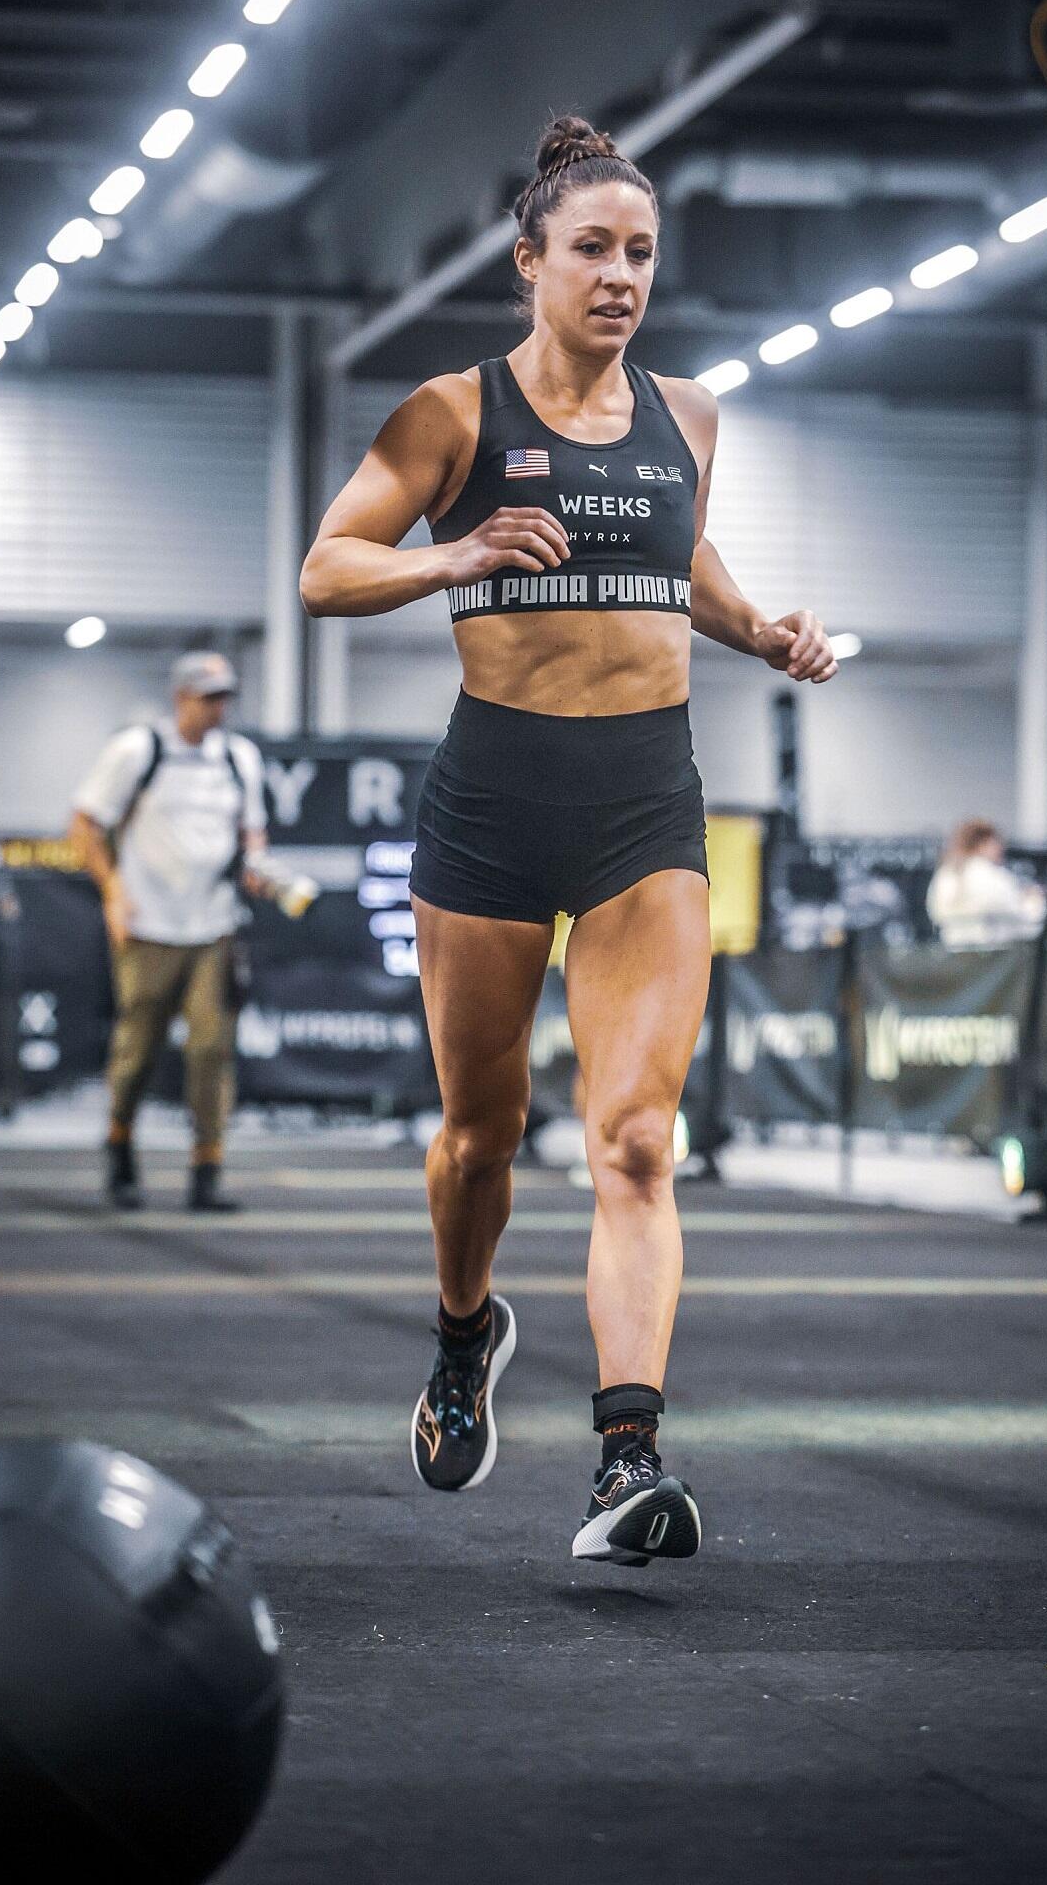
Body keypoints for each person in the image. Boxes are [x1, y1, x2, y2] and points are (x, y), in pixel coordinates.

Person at [300, 117, 837, 1568]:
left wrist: (758, 627)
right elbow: (323, 569)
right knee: (482, 1137)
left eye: (639, 253)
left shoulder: (691, 415)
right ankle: (464, 1335)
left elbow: (682, 556)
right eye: (590, 250)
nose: (618, 277)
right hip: (490, 805)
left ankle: (625, 1457)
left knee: (636, 1142)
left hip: (643, 804)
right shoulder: (450, 415)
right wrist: (452, 556)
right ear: (527, 259)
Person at [69, 651, 267, 1214]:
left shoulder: (238, 757)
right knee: (138, 1046)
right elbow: (85, 823)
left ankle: (206, 1168)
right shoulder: (139, 750)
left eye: (225, 698)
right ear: (181, 698)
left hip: (214, 925)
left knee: (211, 1047)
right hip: (149, 926)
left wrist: (256, 865)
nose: (219, 709)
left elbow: (252, 831)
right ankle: (120, 1147)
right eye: (209, 699)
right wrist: (113, 892)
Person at [926, 819, 1047, 949]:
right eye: (996, 843)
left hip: (954, 955)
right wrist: (1035, 900)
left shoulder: (946, 874)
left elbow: (936, 914)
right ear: (983, 844)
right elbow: (1025, 924)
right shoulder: (992, 876)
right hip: (994, 959)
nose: (1001, 848)